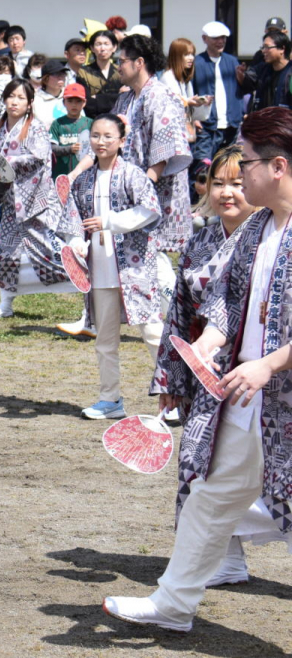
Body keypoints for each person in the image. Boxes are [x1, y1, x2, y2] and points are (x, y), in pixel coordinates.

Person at [103, 107, 292, 633]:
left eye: (247, 163)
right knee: (210, 495)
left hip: (278, 397)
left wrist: (270, 364)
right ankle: (173, 603)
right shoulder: (256, 228)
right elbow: (230, 299)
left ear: (277, 167)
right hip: (246, 395)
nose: (235, 176)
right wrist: (211, 339)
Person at [148, 146, 272, 585]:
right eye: (218, 182)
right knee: (202, 464)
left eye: (238, 182)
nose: (227, 192)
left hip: (255, 372)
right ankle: (225, 560)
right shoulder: (200, 238)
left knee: (264, 471)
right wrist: (171, 376)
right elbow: (179, 312)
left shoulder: (271, 237)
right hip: (205, 370)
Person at [67, 114, 163, 420]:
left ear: (122, 141)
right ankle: (110, 399)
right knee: (105, 339)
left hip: (134, 267)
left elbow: (149, 210)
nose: (101, 141)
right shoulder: (83, 180)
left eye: (108, 136)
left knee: (153, 332)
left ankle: (175, 396)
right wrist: (75, 242)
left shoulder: (134, 174)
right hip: (100, 269)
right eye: (95, 135)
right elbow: (72, 221)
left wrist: (109, 222)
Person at [0, 80, 80, 320]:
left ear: (30, 103)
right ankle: (5, 303)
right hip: (11, 204)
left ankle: (88, 294)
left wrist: (3, 166)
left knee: (48, 252)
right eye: (11, 96)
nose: (14, 101)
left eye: (20, 97)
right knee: (7, 254)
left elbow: (37, 158)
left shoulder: (37, 128)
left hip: (36, 203)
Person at [113, 34, 194, 293]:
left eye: (121, 61)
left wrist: (147, 185)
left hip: (155, 186)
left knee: (152, 249)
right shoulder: (127, 97)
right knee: (138, 250)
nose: (118, 66)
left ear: (139, 62)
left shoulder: (160, 95)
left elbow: (166, 144)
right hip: (130, 183)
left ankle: (173, 314)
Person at [191, 21, 243, 165]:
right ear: (204, 39)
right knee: (201, 169)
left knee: (230, 168)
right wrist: (193, 118)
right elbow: (190, 92)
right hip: (207, 126)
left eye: (223, 38)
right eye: (215, 38)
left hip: (231, 125)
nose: (220, 42)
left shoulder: (233, 62)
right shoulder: (197, 63)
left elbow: (240, 90)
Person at [159, 37, 208, 146]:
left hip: (183, 136)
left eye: (192, 54)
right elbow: (168, 106)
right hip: (171, 138)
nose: (191, 58)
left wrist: (201, 103)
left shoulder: (184, 80)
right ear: (176, 56)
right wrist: (187, 102)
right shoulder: (167, 78)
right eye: (186, 55)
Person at [239, 30, 292, 112]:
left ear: (282, 49)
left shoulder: (290, 72)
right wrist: (241, 75)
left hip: (285, 122)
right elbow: (248, 82)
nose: (263, 51)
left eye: (267, 47)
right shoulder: (261, 69)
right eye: (263, 47)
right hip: (264, 122)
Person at [49, 84, 91, 179]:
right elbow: (51, 147)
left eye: (78, 101)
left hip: (85, 174)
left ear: (84, 103)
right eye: (70, 101)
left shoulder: (90, 123)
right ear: (64, 103)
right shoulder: (57, 123)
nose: (74, 105)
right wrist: (69, 149)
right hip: (62, 174)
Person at [77, 30, 121, 119]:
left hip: (119, 121)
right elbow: (87, 104)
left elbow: (127, 99)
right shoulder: (83, 72)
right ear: (92, 48)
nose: (102, 48)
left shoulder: (121, 71)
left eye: (106, 44)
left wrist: (97, 98)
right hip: (94, 121)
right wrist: (117, 96)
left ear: (114, 47)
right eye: (98, 44)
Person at [33, 59, 68, 127]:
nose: (60, 77)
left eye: (63, 73)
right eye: (55, 74)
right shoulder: (35, 100)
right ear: (45, 79)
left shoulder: (70, 96)